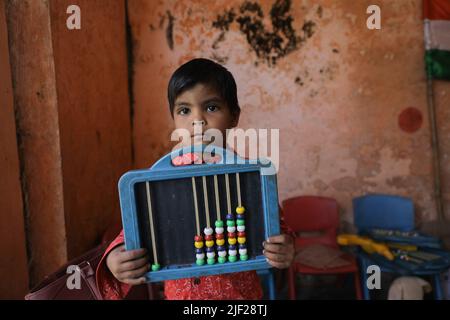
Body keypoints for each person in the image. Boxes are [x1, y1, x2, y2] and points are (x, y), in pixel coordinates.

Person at [96, 58, 294, 299]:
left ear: (234, 116)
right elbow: (135, 229)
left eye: (211, 107)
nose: (197, 120)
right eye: (184, 110)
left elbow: (278, 226)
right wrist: (115, 257)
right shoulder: (160, 181)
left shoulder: (248, 176)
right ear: (174, 120)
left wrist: (285, 247)